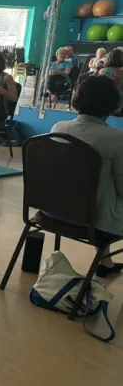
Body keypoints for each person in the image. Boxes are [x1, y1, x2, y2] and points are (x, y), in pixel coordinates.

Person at [49, 76, 123, 277]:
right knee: (104, 198)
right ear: (113, 104)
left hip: (51, 211)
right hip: (92, 221)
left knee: (96, 191)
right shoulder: (116, 139)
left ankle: (105, 263)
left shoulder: (58, 128)